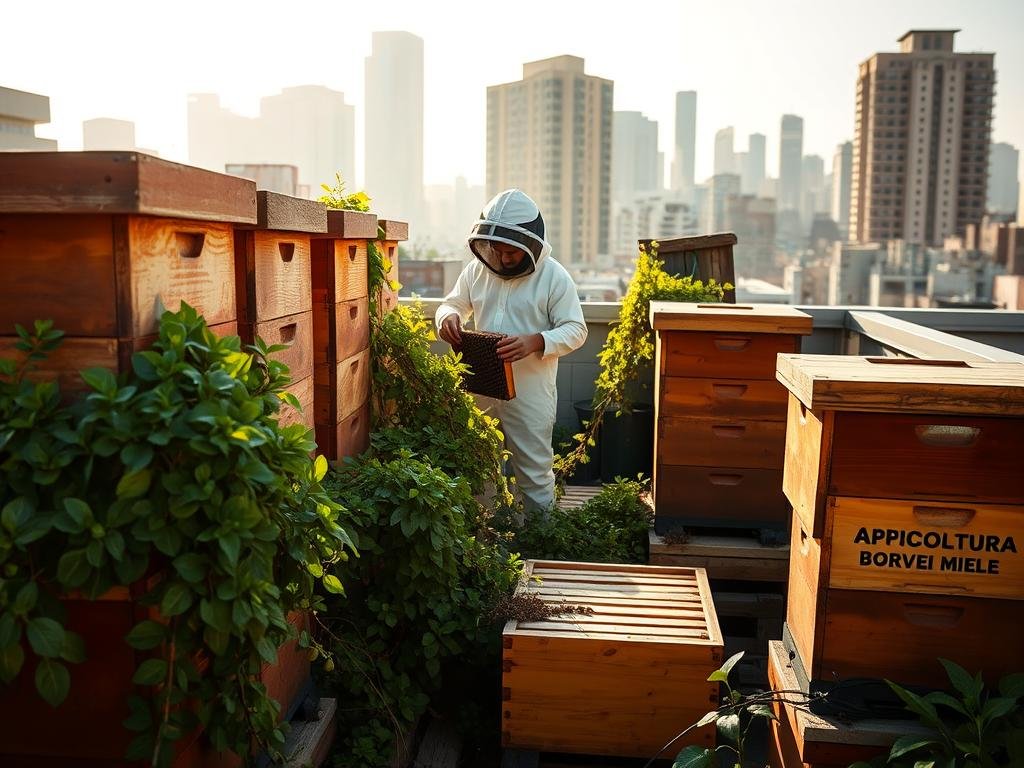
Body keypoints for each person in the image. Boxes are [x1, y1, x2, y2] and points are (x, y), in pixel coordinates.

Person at [436, 189, 587, 512]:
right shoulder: (477, 271)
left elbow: (577, 330)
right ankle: (488, 543)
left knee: (533, 474)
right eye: (497, 250)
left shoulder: (554, 277)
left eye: (511, 253)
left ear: (530, 246)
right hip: (481, 389)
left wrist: (536, 341)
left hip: (530, 393)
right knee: (480, 469)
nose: (503, 259)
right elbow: (453, 303)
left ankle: (540, 543)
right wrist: (447, 317)